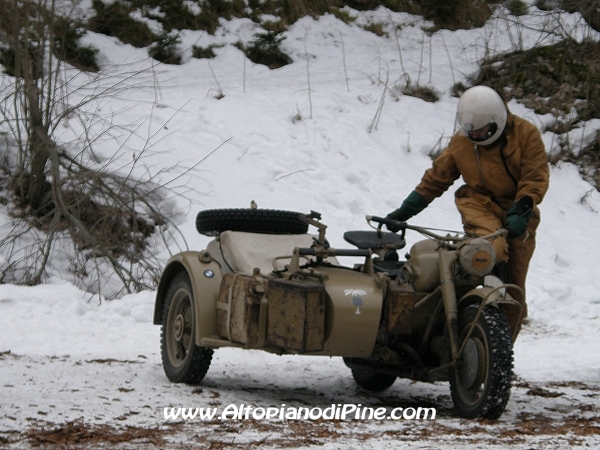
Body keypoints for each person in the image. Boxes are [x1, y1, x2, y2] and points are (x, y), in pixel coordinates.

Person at [386, 85, 550, 339]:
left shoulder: (525, 134)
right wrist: (406, 210)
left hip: (518, 207)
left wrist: (522, 209)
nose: (476, 136)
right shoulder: (462, 142)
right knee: (491, 252)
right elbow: (437, 178)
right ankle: (462, 309)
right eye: (471, 131)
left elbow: (535, 178)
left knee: (513, 285)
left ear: (498, 121)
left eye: (482, 131)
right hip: (478, 203)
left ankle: (499, 348)